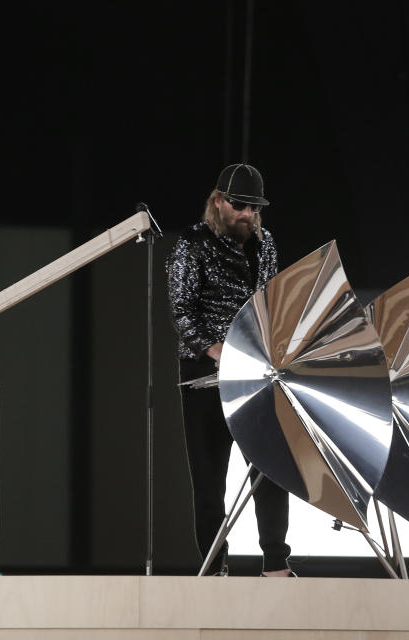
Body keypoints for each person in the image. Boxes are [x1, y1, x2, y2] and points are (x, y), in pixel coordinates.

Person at [166, 163, 293, 577]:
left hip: (256, 377)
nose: (246, 214)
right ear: (217, 201)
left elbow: (272, 303)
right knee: (209, 482)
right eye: (239, 205)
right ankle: (215, 568)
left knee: (272, 470)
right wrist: (221, 351)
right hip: (205, 381)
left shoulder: (265, 243)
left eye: (253, 207)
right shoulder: (191, 244)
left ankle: (276, 564)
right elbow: (181, 313)